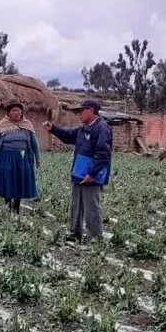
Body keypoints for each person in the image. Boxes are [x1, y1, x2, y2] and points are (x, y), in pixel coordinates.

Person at [43, 99, 113, 243]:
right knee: (77, 205)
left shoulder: (102, 128)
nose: (78, 114)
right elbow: (68, 137)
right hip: (79, 173)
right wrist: (53, 128)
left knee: (92, 207)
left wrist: (92, 174)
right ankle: (75, 234)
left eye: (81, 111)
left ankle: (95, 238)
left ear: (91, 111)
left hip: (92, 175)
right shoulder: (83, 129)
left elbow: (103, 154)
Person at [0, 100, 41, 214]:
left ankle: (16, 207)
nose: (16, 113)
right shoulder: (2, 126)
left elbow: (34, 143)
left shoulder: (27, 126)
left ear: (21, 112)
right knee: (7, 180)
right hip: (5, 157)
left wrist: (37, 158)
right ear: (8, 113)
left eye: (18, 110)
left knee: (20, 181)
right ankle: (7, 205)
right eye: (13, 110)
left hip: (23, 157)